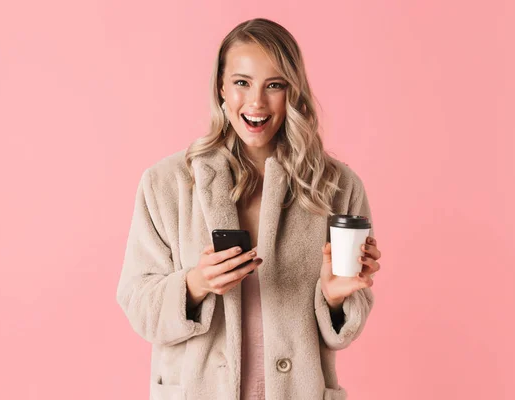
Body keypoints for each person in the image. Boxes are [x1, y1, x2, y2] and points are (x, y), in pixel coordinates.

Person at [116, 18, 382, 400]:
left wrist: (336, 296)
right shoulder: (166, 183)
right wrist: (196, 284)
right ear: (221, 87)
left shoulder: (335, 187)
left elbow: (343, 330)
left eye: (274, 85)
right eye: (242, 82)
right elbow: (138, 304)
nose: (256, 102)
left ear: (293, 92)